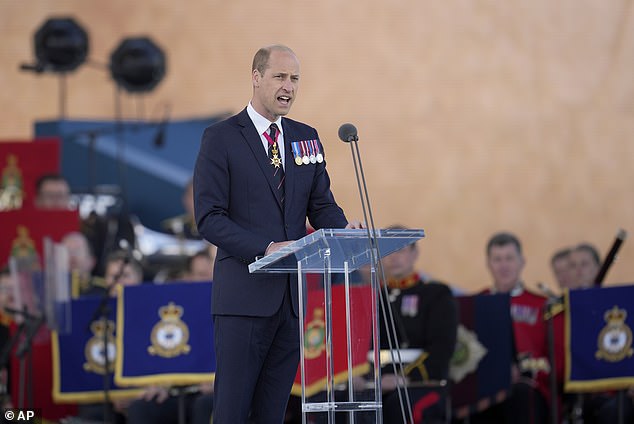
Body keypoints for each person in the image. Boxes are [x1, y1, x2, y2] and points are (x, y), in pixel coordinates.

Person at [193, 44, 362, 424]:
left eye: (295, 79)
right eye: (280, 77)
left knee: (271, 413)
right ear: (256, 77)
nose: (289, 86)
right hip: (243, 299)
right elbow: (209, 218)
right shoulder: (220, 138)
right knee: (233, 412)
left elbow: (321, 206)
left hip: (290, 301)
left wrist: (345, 230)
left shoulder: (306, 137)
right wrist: (266, 248)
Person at [375, 228, 458, 423]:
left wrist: (405, 378)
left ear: (415, 253)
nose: (394, 257)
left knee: (398, 404)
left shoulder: (436, 294)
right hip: (376, 383)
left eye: (401, 249)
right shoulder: (374, 297)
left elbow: (442, 348)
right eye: (389, 250)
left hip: (421, 382)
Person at [472, 232, 550, 424]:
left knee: (521, 394)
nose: (503, 265)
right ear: (488, 263)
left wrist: (525, 371)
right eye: (497, 259)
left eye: (509, 258)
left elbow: (554, 359)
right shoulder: (475, 303)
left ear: (522, 261)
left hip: (528, 388)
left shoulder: (542, 305)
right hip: (484, 388)